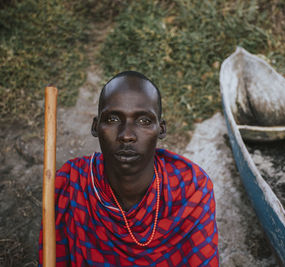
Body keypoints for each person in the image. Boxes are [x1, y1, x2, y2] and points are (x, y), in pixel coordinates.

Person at [39, 71, 219, 266]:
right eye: (113, 119)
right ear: (95, 127)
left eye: (144, 121)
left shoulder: (191, 188)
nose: (126, 135)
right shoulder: (70, 183)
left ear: (161, 129)